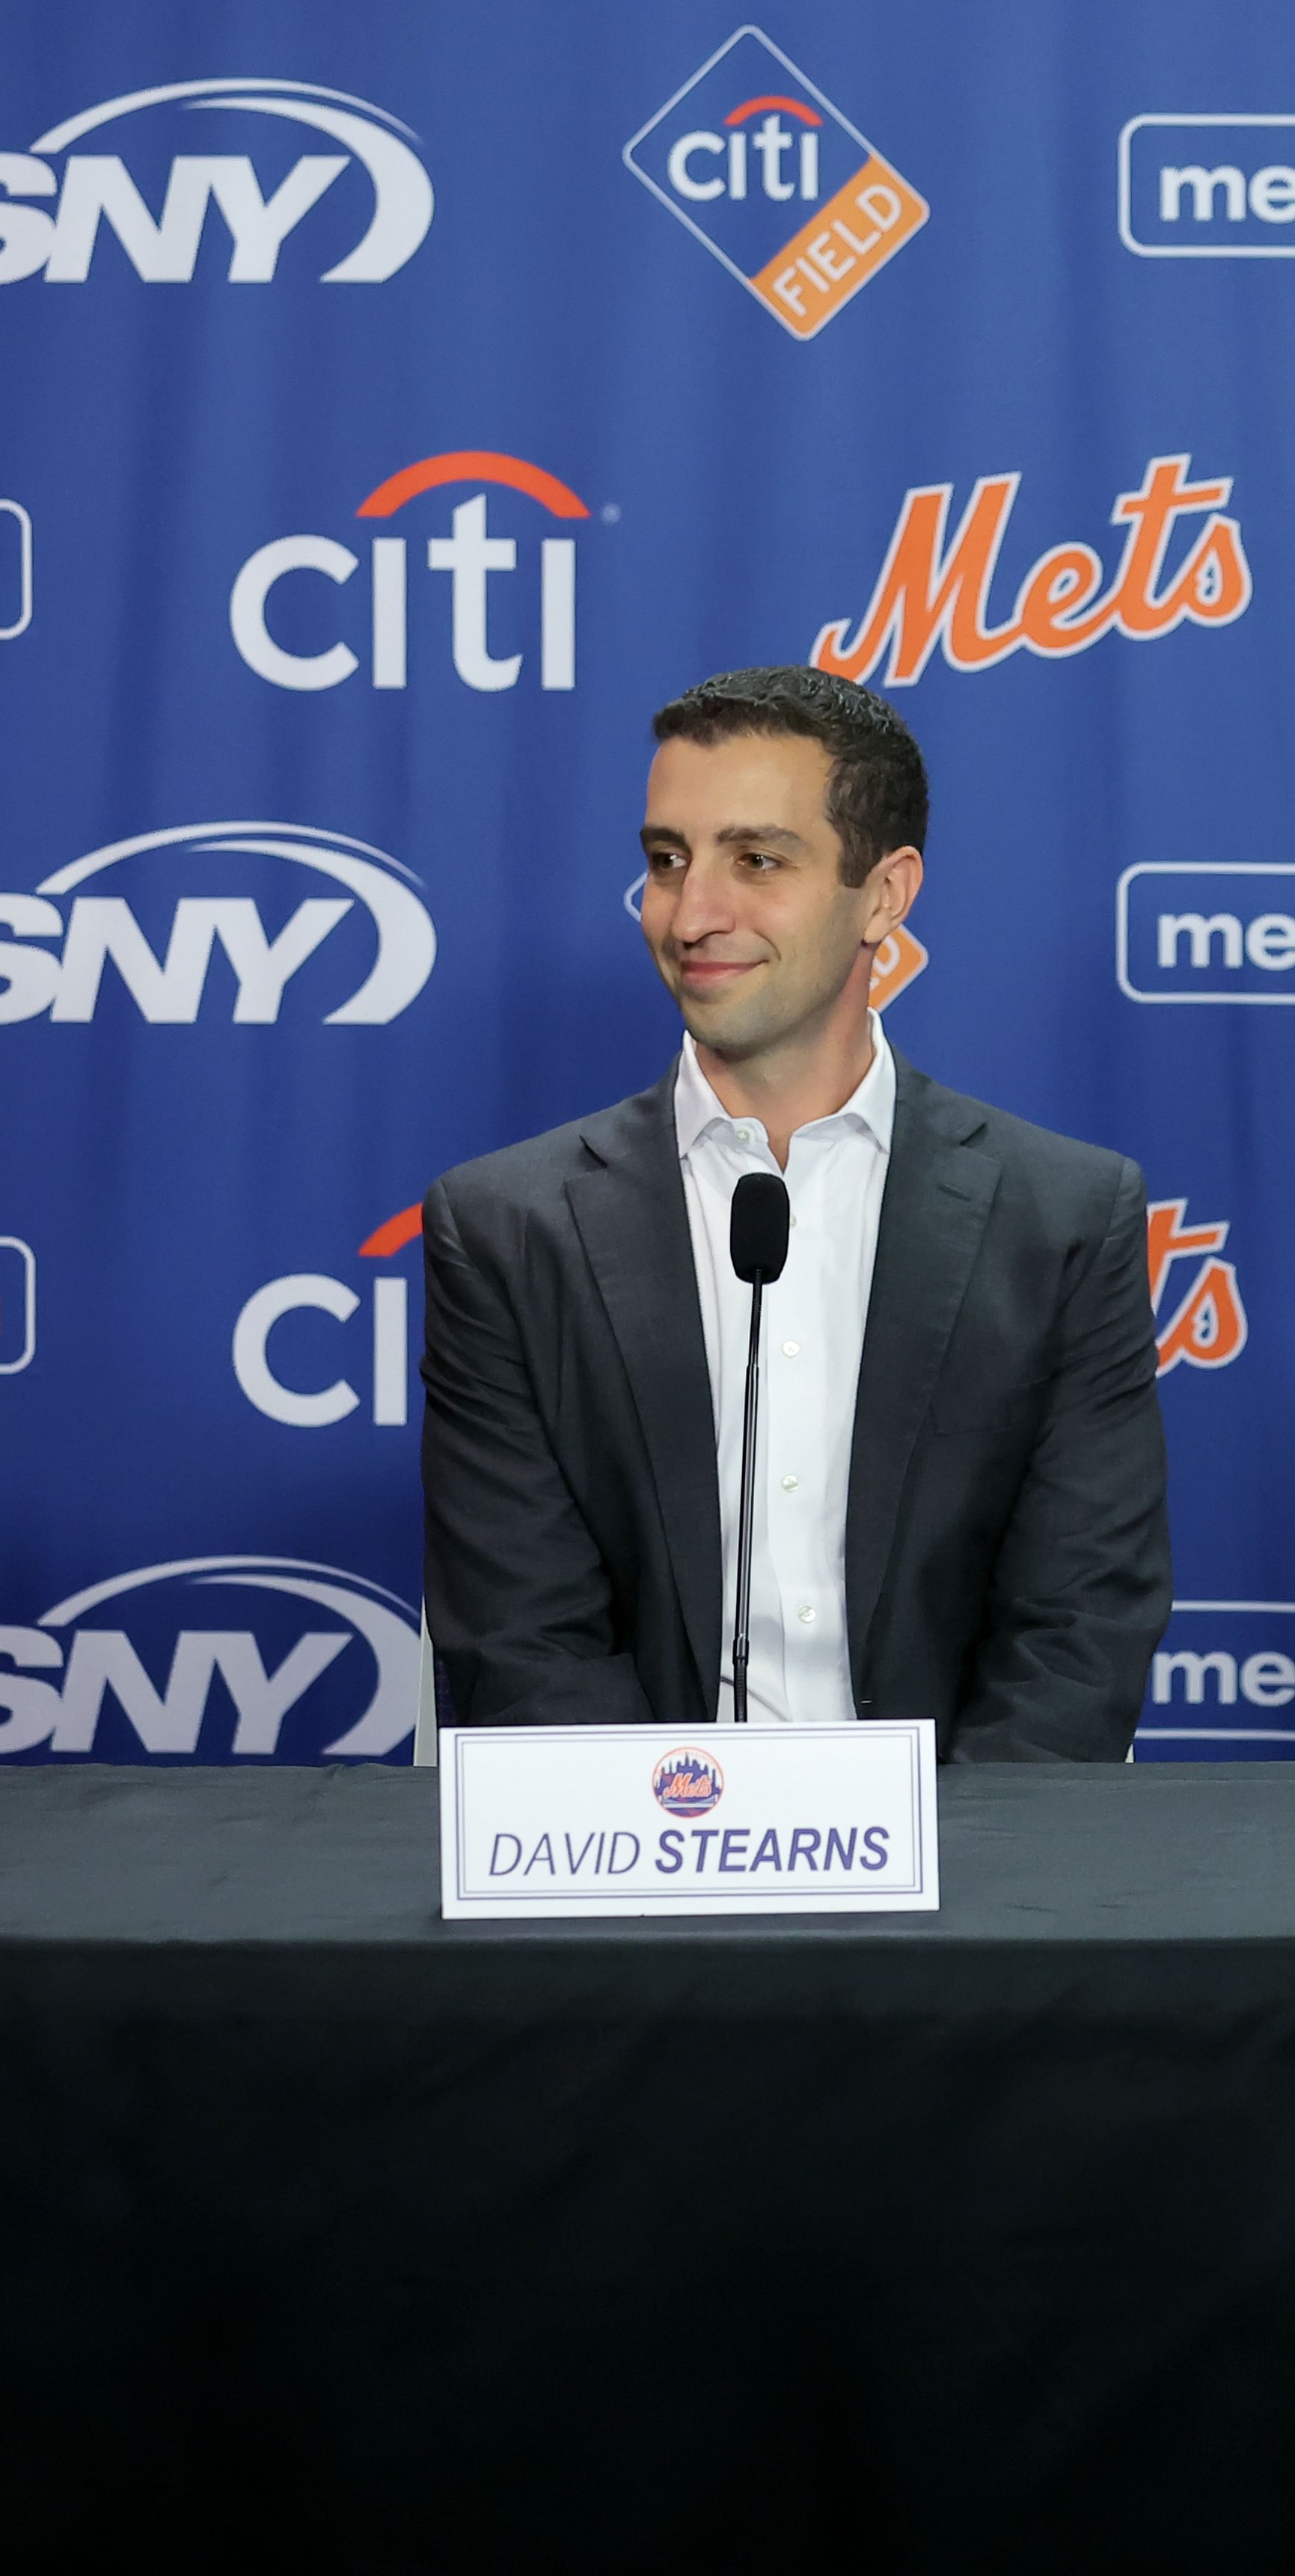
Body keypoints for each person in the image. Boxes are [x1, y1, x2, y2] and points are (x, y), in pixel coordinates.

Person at [422, 667, 1170, 1759]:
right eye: (666, 861)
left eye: (757, 860)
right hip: (632, 1886)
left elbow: (1078, 1633)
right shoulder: (503, 1227)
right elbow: (521, 1645)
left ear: (884, 892)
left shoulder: (1060, 1217)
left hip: (963, 1893)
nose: (692, 914)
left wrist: (945, 1897)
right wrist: (677, 1869)